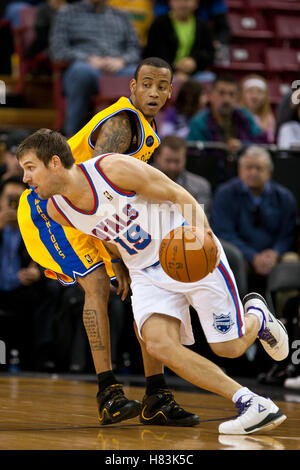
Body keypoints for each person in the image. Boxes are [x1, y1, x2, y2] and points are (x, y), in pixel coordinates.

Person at [17, 128, 289, 435]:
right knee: (158, 344)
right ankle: (251, 402)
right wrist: (118, 262)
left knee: (229, 347)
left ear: (54, 163)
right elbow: (101, 232)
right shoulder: (57, 210)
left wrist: (203, 239)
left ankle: (258, 316)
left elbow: (178, 194)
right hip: (145, 273)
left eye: (30, 168)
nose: (26, 179)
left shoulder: (111, 169)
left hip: (186, 249)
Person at [17, 58, 200, 426]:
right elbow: (98, 190)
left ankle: (156, 394)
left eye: (161, 86)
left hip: (92, 211)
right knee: (98, 283)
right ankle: (108, 393)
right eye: (146, 84)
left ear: (169, 93)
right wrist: (116, 257)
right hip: (52, 207)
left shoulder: (145, 128)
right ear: (131, 87)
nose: (153, 92)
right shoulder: (122, 123)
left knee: (147, 285)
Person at [210, 145, 298, 295]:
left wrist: (275, 253)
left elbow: (288, 233)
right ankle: (240, 314)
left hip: (275, 255)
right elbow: (223, 233)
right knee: (231, 261)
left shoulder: (284, 197)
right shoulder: (225, 194)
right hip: (241, 254)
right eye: (248, 167)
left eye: (259, 168)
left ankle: (286, 316)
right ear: (239, 170)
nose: (253, 172)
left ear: (270, 172)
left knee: (291, 262)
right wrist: (252, 256)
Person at [49, 0, 141, 137]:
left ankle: (138, 136)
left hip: (117, 68)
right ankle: (72, 136)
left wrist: (122, 61)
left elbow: (135, 49)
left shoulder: (122, 16)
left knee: (139, 76)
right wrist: (87, 58)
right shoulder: (67, 13)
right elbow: (58, 50)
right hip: (84, 66)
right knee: (82, 72)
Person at [0, 176, 62, 371]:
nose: (12, 204)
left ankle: (40, 357)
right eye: (8, 198)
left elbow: (53, 260)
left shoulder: (36, 227)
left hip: (25, 291)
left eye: (17, 200)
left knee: (49, 289)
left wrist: (39, 274)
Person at [188, 74, 269, 154]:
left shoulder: (245, 116)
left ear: (237, 97)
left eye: (231, 94)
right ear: (211, 95)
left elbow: (263, 143)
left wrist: (243, 146)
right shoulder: (199, 122)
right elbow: (194, 155)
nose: (227, 99)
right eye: (221, 93)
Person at [143, 0, 215, 83]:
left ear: (196, 3)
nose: (183, 4)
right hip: (162, 72)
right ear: (170, 2)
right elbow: (153, 54)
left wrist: (194, 61)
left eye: (187, 0)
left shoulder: (203, 26)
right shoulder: (159, 24)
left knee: (210, 78)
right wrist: (175, 70)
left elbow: (209, 53)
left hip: (193, 74)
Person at [152, 135, 212, 214]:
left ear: (185, 159)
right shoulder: (141, 179)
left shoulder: (200, 186)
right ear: (157, 157)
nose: (172, 167)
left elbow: (198, 221)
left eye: (177, 161)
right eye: (168, 161)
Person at [240, 74, 275, 144]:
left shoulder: (269, 119)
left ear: (265, 96)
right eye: (250, 91)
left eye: (259, 92)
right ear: (243, 94)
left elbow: (270, 141)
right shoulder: (237, 115)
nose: (255, 96)